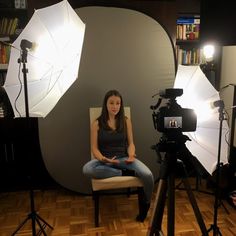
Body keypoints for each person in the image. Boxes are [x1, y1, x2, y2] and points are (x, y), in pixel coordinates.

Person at [83, 89, 154, 221]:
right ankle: (125, 173)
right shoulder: (97, 123)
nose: (115, 106)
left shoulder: (126, 121)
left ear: (121, 105)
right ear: (106, 104)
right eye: (111, 103)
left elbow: (131, 144)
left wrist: (131, 155)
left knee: (148, 175)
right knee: (87, 169)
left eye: (118, 103)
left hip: (124, 159)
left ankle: (146, 204)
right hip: (105, 161)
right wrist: (103, 159)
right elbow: (94, 148)